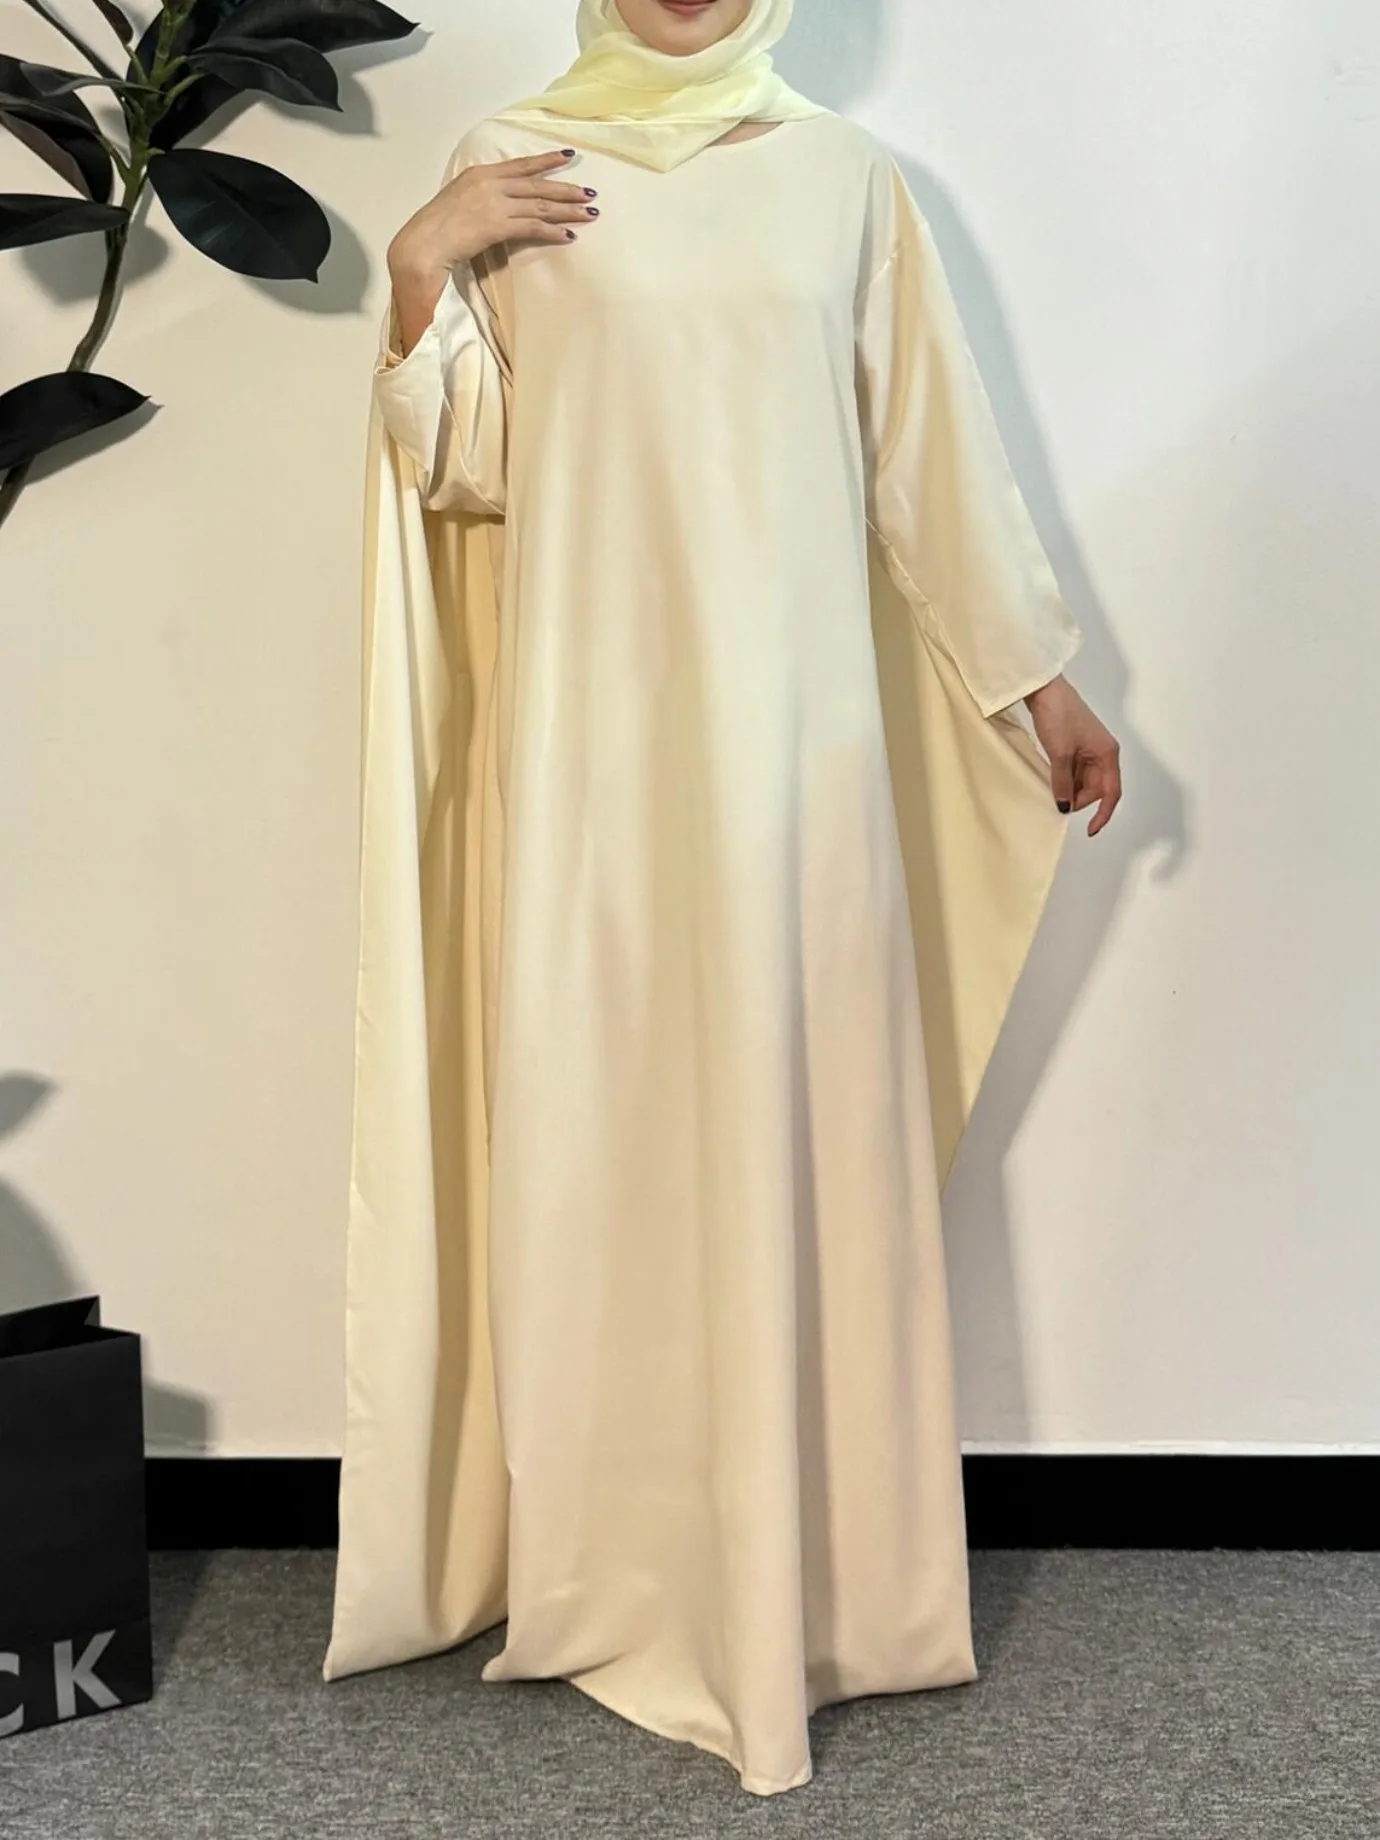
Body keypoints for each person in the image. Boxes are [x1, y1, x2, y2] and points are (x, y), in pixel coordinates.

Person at [322, 0, 1123, 1799]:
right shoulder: (510, 163)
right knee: (602, 1126)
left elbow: (928, 462)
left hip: (794, 753)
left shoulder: (846, 179)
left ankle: (807, 1583)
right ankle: (619, 1573)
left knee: (785, 1119)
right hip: (593, 741)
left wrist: (1036, 685)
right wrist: (422, 266)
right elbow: (466, 469)